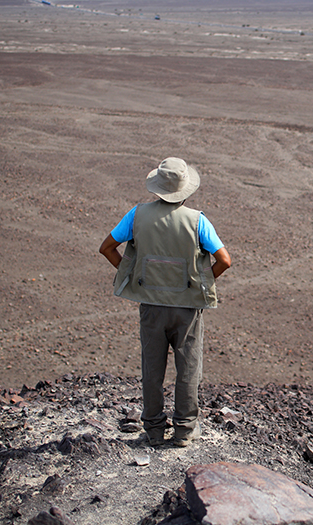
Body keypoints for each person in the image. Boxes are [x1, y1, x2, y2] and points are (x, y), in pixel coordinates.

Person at [99, 157, 231, 447]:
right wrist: (202, 283)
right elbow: (224, 260)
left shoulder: (136, 216)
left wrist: (132, 275)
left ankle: (155, 432)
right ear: (185, 189)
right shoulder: (198, 221)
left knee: (152, 370)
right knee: (188, 369)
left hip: (151, 307)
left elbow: (107, 248)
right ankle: (184, 431)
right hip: (186, 309)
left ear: (157, 187)